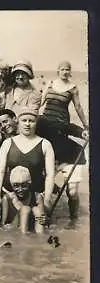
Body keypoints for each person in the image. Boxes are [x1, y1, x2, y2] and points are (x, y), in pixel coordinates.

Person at [37, 61, 89, 228]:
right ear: (57, 71)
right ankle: (44, 206)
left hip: (61, 124)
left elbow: (79, 107)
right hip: (44, 124)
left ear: (70, 72)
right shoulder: (50, 84)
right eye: (62, 69)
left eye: (68, 69)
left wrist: (86, 126)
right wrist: (32, 117)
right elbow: (41, 102)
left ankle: (73, 219)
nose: (65, 72)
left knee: (71, 188)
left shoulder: (73, 87)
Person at [0, 108, 55, 216]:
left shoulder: (45, 144)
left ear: (36, 122)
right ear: (17, 121)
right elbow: (0, 172)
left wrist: (46, 199)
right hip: (11, 196)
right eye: (24, 120)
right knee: (9, 228)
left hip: (35, 198)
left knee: (40, 226)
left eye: (31, 121)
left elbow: (50, 175)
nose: (27, 124)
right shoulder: (7, 143)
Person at [1, 166, 46, 233]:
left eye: (24, 185)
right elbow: (3, 224)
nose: (20, 189)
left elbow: (42, 220)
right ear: (11, 185)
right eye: (16, 186)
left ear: (29, 183)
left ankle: (40, 237)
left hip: (34, 228)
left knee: (37, 210)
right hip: (16, 229)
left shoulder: (37, 197)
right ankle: (23, 237)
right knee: (25, 209)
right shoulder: (7, 199)